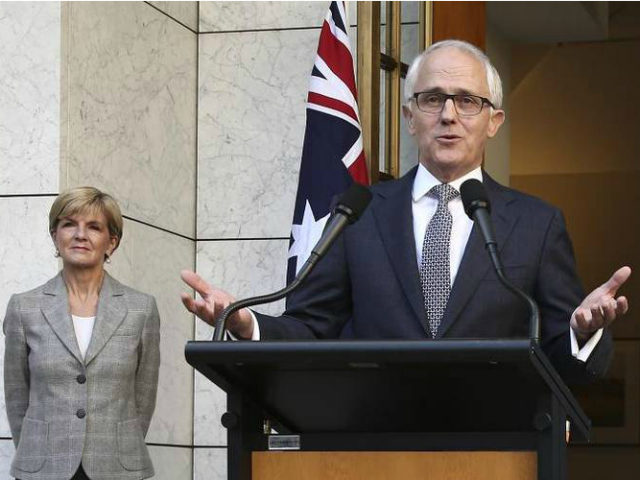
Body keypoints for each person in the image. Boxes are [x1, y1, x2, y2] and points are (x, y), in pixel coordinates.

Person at [180, 39, 630, 384]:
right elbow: (312, 328)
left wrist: (582, 332)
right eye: (432, 99)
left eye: (467, 100)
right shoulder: (358, 211)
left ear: (494, 122)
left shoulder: (536, 223)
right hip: (373, 444)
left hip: (493, 447)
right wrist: (247, 323)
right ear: (410, 116)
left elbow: (563, 361)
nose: (449, 115)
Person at [3, 187, 160, 480]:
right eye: (69, 224)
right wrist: (33, 450)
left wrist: (121, 446)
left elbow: (144, 397)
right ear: (55, 235)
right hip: (43, 467)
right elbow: (16, 395)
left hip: (116, 467)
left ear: (111, 242)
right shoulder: (24, 307)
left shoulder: (141, 309)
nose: (80, 234)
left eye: (94, 227)